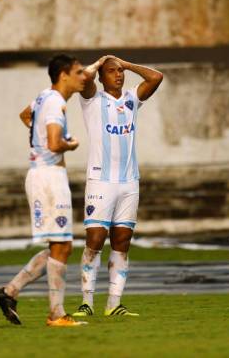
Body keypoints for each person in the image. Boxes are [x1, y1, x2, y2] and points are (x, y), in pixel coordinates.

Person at [0, 54, 88, 328]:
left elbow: (25, 115)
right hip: (48, 179)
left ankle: (9, 292)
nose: (84, 77)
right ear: (64, 75)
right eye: (79, 72)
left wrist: (39, 141)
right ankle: (56, 314)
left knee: (61, 246)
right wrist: (70, 144)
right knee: (62, 246)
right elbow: (56, 143)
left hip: (42, 176)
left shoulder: (44, 96)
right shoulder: (56, 103)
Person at [71, 55, 163, 318]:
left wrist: (127, 63)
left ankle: (114, 303)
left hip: (129, 181)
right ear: (102, 76)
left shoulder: (132, 99)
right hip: (101, 180)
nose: (118, 74)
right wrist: (99, 63)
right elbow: (83, 78)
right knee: (96, 240)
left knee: (122, 241)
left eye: (120, 71)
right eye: (112, 71)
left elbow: (156, 77)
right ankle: (86, 302)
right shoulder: (93, 99)